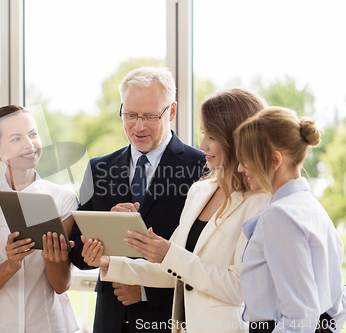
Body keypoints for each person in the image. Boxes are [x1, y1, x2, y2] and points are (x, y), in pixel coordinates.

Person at [81, 88, 270, 333]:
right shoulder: (201, 190)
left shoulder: (261, 202)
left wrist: (169, 254)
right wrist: (108, 262)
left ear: (239, 139)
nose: (202, 145)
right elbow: (171, 270)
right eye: (203, 134)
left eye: (211, 137)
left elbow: (240, 288)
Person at [69, 67, 206, 333]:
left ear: (172, 112)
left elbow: (203, 260)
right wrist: (96, 240)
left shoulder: (200, 167)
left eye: (150, 116)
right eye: (130, 115)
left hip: (167, 319)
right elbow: (77, 251)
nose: (138, 126)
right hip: (110, 318)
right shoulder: (99, 169)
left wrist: (145, 290)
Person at [0, 105, 78, 333]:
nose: (29, 144)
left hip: (48, 325)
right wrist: (10, 265)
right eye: (16, 138)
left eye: (33, 134)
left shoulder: (64, 199)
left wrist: (53, 258)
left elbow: (61, 285)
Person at [234, 106, 346, 333]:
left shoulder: (279, 216)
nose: (240, 168)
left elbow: (300, 315)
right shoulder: (313, 208)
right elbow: (339, 305)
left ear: (275, 160)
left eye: (246, 160)